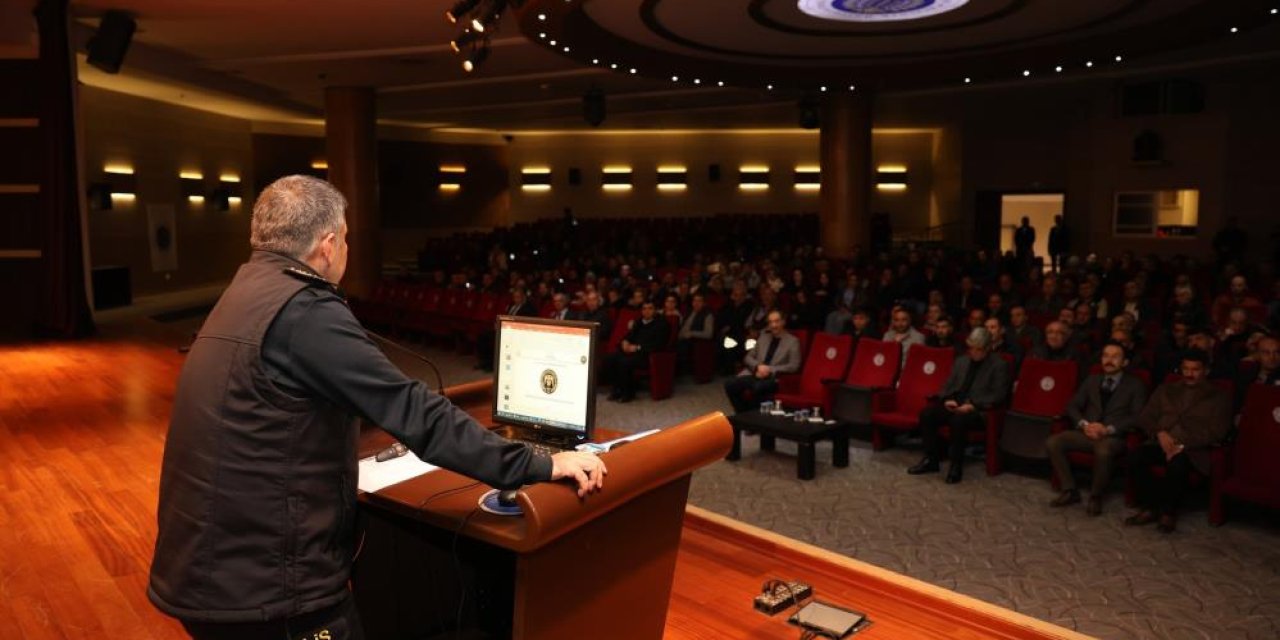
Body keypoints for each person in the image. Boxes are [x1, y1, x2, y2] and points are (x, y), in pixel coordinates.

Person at [148, 176, 605, 640]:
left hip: (209, 570)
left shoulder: (246, 291)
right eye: (346, 238)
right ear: (328, 245)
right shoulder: (304, 310)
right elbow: (413, 411)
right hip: (270, 594)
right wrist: (539, 464)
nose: (346, 249)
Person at [1126, 350, 1231, 533]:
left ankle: (1168, 512)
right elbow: (1145, 418)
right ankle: (1151, 506)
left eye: (1195, 370)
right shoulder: (1165, 389)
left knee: (1177, 464)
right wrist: (1159, 433)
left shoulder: (1219, 396)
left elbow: (1217, 432)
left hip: (1193, 450)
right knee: (1136, 457)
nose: (1189, 374)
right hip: (1160, 442)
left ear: (1206, 370)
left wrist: (1181, 445)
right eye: (1186, 369)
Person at [1046, 343, 1147, 515]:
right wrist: (1085, 425)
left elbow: (1137, 417)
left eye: (1115, 356)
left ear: (1125, 362)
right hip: (1087, 432)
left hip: (1113, 437)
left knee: (1103, 450)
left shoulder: (1136, 385)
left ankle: (1096, 495)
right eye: (1106, 355)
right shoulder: (1092, 380)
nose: (1109, 360)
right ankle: (1070, 490)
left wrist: (1108, 429)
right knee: (1053, 442)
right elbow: (1072, 406)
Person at [907, 328, 1011, 484]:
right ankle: (931, 460)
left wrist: (972, 405)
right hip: (956, 404)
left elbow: (998, 394)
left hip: (977, 410)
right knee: (927, 414)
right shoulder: (961, 361)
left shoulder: (999, 365)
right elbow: (947, 385)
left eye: (978, 349)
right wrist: (947, 399)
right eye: (971, 348)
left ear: (988, 348)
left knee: (958, 420)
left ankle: (955, 466)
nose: (973, 352)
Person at [723, 310, 801, 413]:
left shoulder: (792, 341)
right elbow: (748, 357)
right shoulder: (763, 337)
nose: (773, 325)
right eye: (770, 322)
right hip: (756, 374)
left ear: (783, 322)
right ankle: (743, 413)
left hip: (775, 377)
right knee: (730, 384)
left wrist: (769, 369)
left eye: (777, 321)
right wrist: (758, 366)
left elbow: (794, 365)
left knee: (758, 387)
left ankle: (751, 416)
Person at [605, 300, 670, 403]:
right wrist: (625, 342)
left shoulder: (662, 324)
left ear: (655, 310)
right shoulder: (639, 322)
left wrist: (638, 348)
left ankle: (627, 393)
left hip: (647, 355)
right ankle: (617, 389)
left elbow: (659, 345)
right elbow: (629, 335)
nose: (647, 311)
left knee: (624, 362)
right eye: (644, 309)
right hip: (632, 351)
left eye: (650, 308)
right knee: (611, 358)